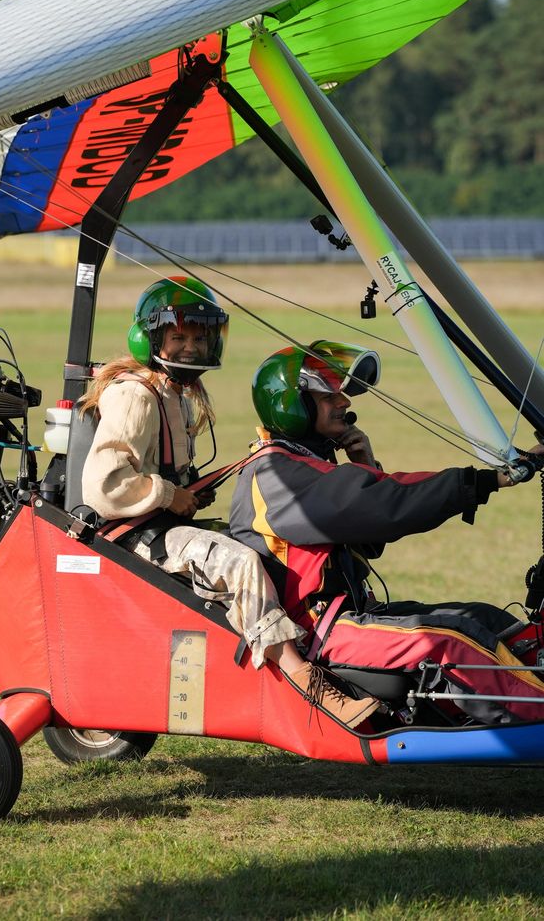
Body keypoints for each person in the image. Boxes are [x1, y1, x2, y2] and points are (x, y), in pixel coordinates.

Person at [80, 278, 377, 726]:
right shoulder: (137, 395)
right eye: (179, 337)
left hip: (158, 525)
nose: (190, 348)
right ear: (151, 337)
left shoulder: (173, 393)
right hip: (132, 535)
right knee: (241, 563)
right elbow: (104, 485)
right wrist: (171, 495)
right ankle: (306, 681)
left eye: (200, 338)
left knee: (258, 545)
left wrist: (189, 491)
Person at [229, 339, 544, 726]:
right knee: (452, 641)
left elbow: (369, 539)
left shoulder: (302, 464)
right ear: (293, 406)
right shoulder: (277, 475)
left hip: (349, 616)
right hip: (316, 633)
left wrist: (364, 462)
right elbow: (387, 504)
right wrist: (483, 481)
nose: (344, 402)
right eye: (329, 396)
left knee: (486, 619)